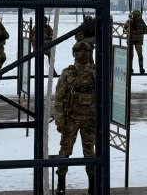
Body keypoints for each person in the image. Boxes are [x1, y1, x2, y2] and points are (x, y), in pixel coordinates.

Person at [55, 41, 96, 195]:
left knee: (89, 152)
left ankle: (93, 187)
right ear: (74, 53)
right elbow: (59, 99)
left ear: (89, 53)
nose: (81, 54)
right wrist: (60, 120)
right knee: (65, 151)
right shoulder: (68, 73)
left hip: (90, 119)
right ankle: (61, 186)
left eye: (85, 51)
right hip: (71, 119)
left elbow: (104, 97)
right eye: (78, 51)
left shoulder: (95, 72)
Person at [124, 9, 147, 74]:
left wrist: (138, 31)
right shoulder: (129, 21)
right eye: (138, 16)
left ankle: (141, 68)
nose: (138, 17)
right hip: (131, 41)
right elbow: (124, 31)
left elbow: (146, 31)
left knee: (139, 55)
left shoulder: (141, 21)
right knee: (131, 56)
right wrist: (134, 31)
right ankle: (130, 68)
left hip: (138, 41)